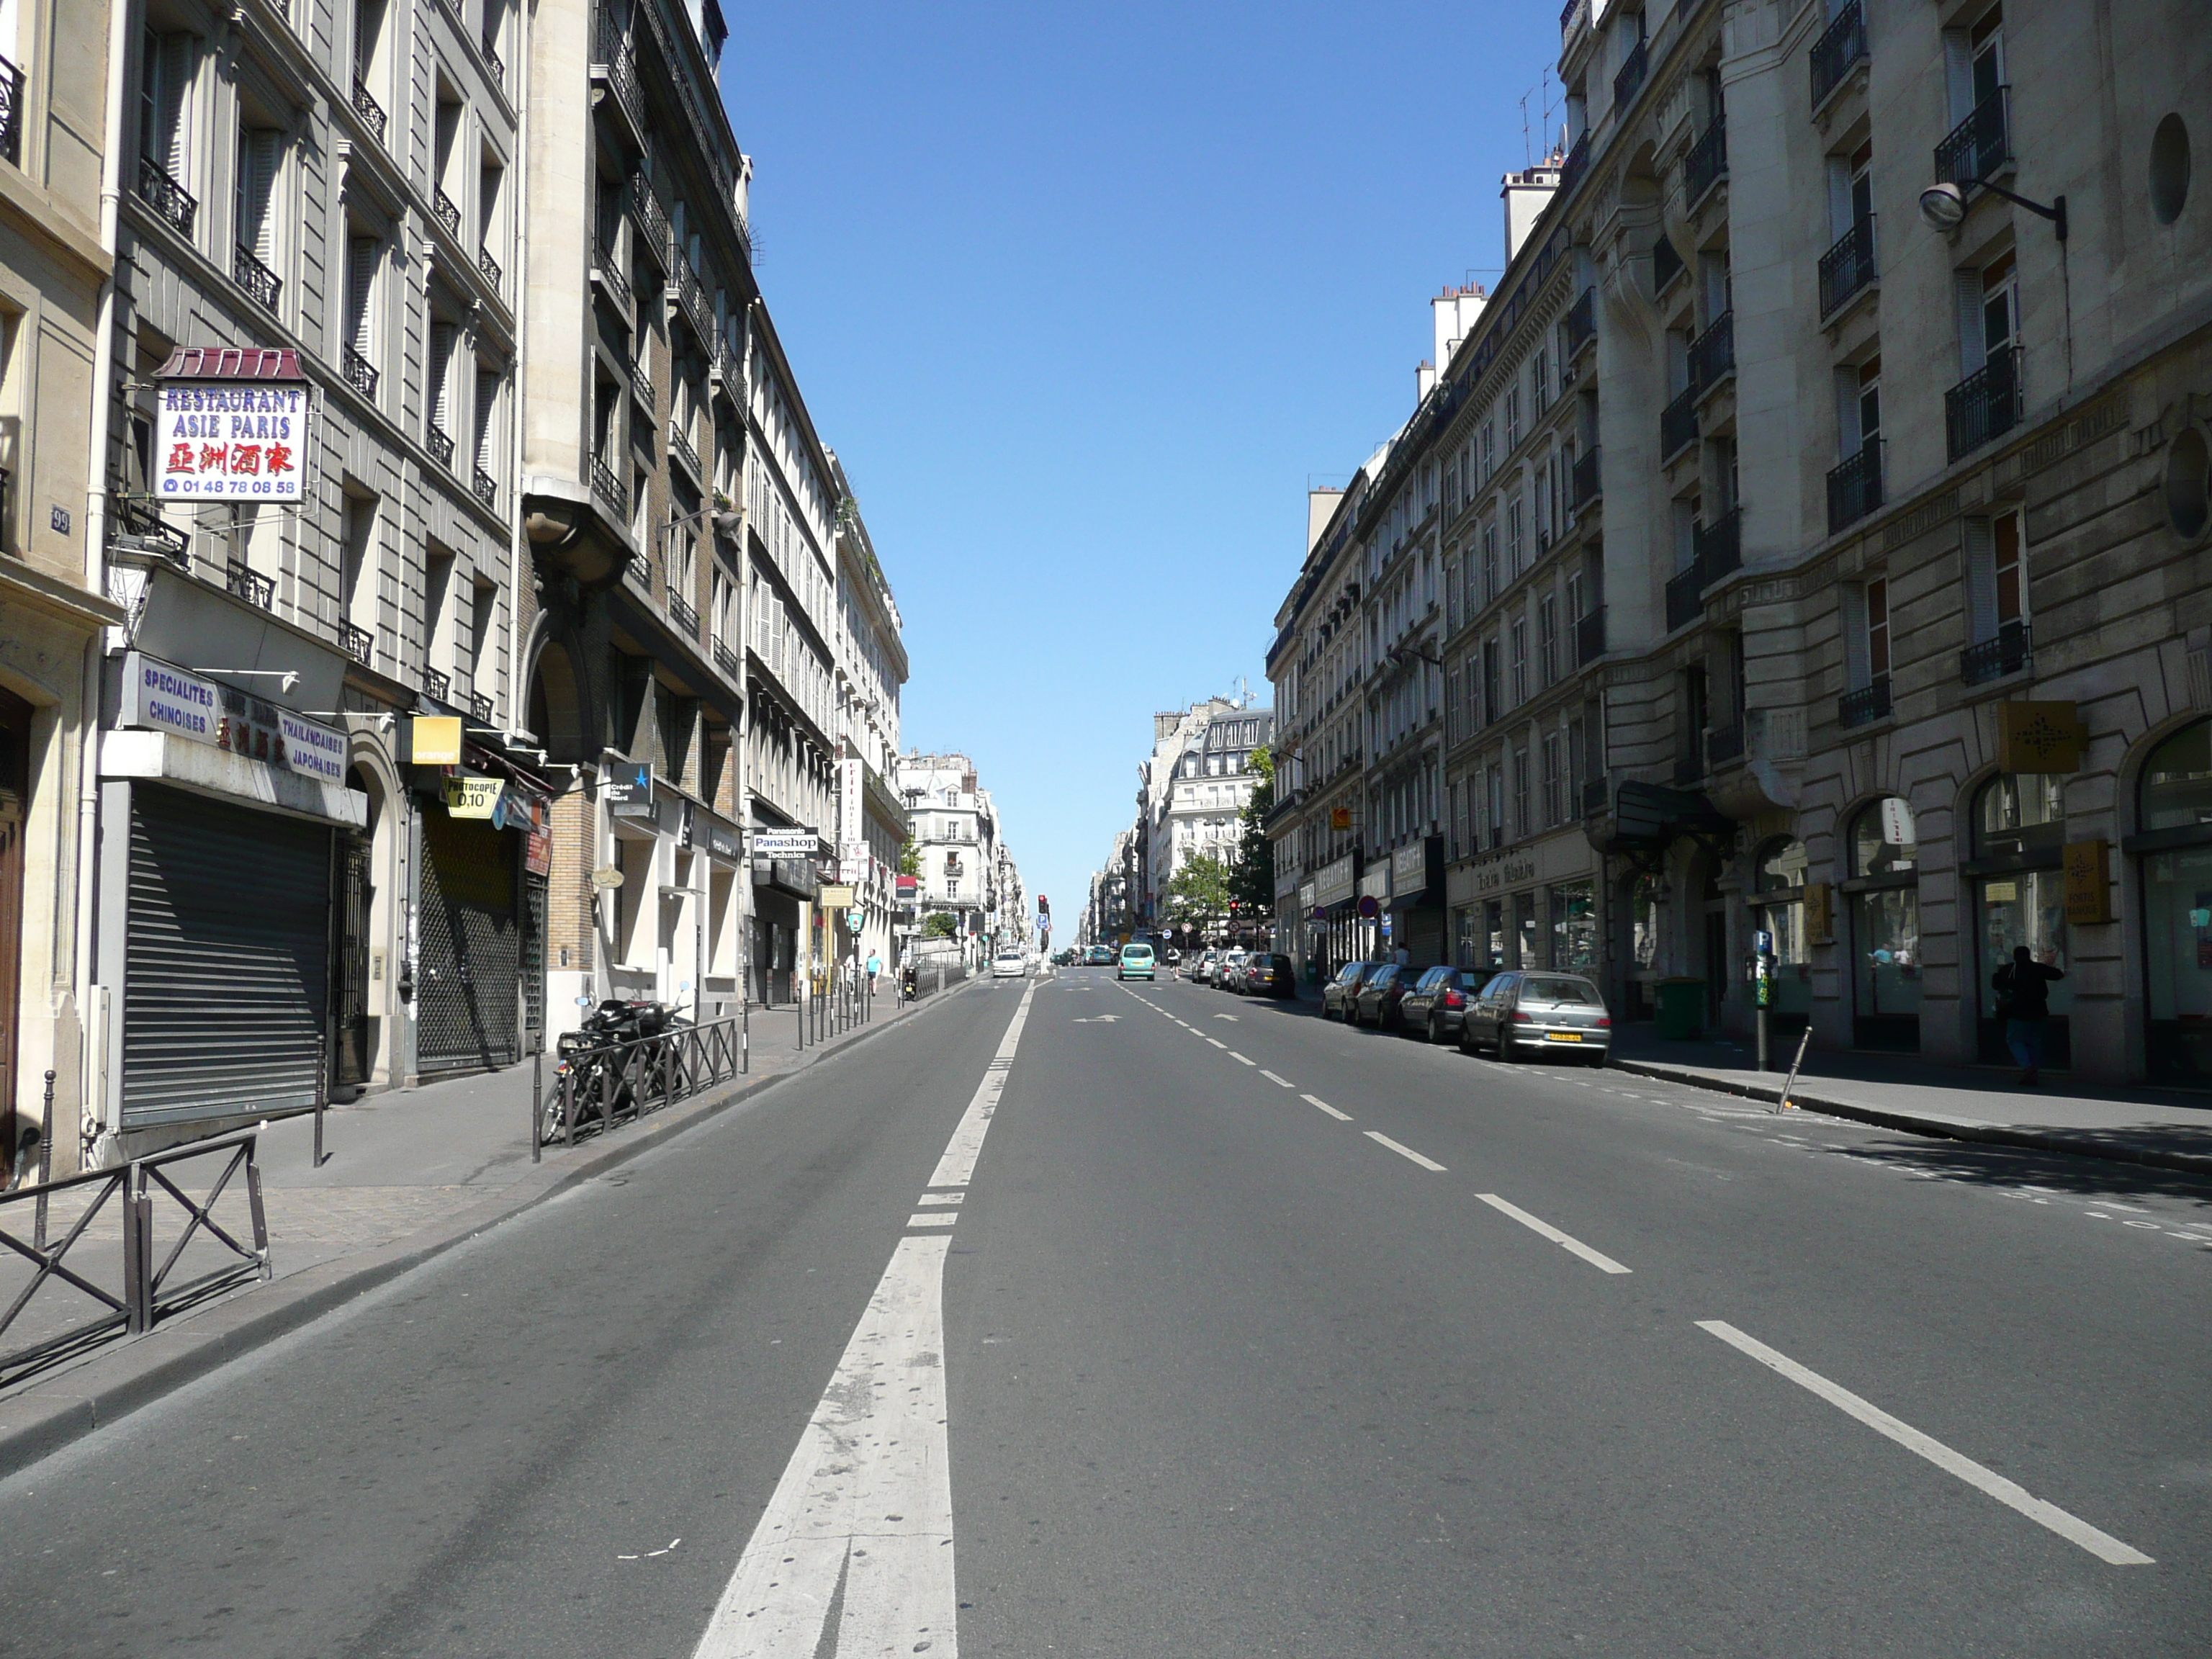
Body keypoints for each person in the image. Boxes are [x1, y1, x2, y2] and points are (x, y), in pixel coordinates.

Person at [1993, 943, 2066, 1085]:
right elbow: (2058, 975)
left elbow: (1996, 984)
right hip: (2038, 1011)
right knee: (2035, 1042)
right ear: (2029, 955)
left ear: (2014, 956)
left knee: (2015, 1041)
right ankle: (2034, 1070)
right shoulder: (2037, 968)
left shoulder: (2009, 969)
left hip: (2016, 1012)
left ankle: (2027, 1067)